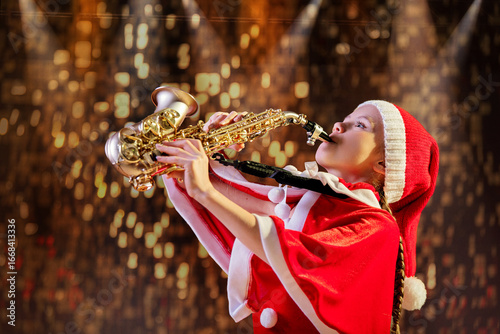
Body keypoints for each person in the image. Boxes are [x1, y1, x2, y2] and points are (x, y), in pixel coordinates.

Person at [155, 101, 439, 333]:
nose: (339, 125)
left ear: (383, 164)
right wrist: (209, 160)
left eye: (360, 125)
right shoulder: (314, 200)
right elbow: (254, 221)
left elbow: (287, 249)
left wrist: (206, 191)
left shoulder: (378, 226)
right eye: (346, 117)